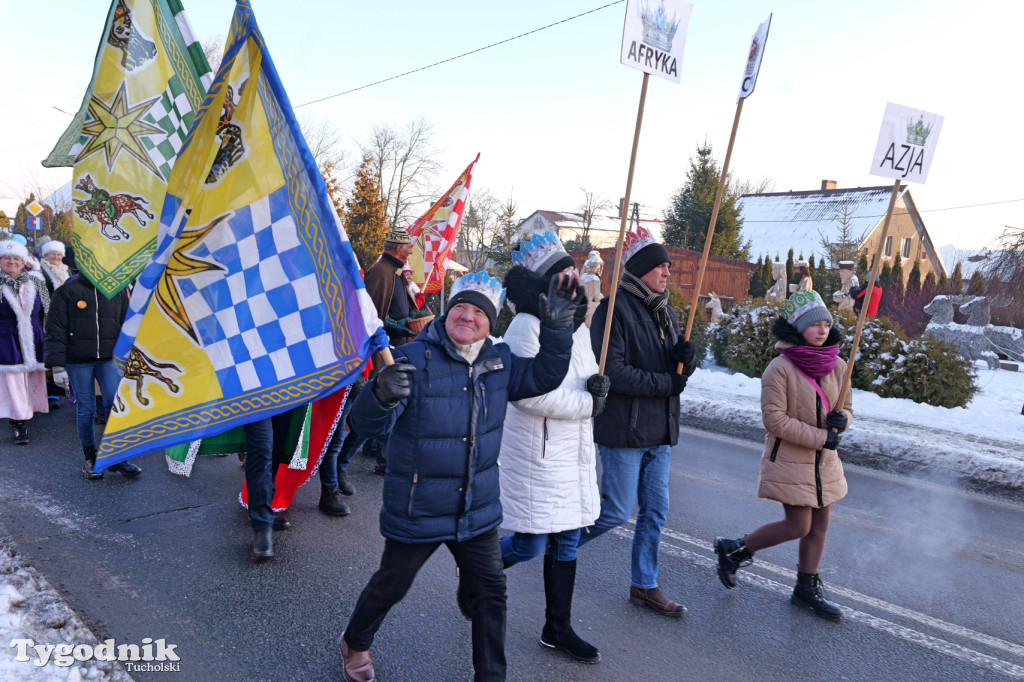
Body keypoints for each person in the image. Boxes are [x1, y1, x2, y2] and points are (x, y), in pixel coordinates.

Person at [338, 270, 581, 682]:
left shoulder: (500, 362)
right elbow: (363, 427)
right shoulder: (412, 359)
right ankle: (355, 641)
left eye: (478, 312)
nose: (467, 316)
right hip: (420, 506)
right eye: (460, 307)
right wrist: (379, 394)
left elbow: (545, 375)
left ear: (491, 323)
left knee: (490, 596)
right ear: (448, 312)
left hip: (477, 509)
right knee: (392, 585)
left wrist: (558, 330)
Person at [495, 232, 608, 663]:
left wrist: (597, 385)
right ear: (545, 281)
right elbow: (527, 394)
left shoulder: (576, 324)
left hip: (572, 450)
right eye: (562, 272)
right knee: (528, 545)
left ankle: (556, 626)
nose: (572, 276)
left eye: (572, 268)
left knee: (567, 541)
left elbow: (584, 375)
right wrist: (588, 403)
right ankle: (478, 570)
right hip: (538, 453)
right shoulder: (526, 324)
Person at [577, 225, 694, 618]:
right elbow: (614, 373)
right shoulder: (612, 311)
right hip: (624, 430)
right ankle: (554, 544)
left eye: (668, 267)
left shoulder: (667, 310)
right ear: (640, 269)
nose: (667, 273)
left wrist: (685, 360)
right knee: (613, 512)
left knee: (655, 512)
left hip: (659, 431)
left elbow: (673, 372)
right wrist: (669, 382)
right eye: (660, 266)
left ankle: (644, 585)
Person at [713, 290, 852, 621]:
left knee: (820, 524)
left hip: (824, 462)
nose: (821, 330)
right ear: (797, 329)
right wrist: (822, 437)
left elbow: (846, 408)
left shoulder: (838, 365)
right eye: (813, 324)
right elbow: (774, 420)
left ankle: (806, 589)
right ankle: (735, 549)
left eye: (825, 324)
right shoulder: (780, 369)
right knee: (798, 524)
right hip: (791, 459)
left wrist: (842, 421)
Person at [44, 271, 141, 479]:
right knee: (86, 409)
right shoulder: (67, 291)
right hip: (77, 360)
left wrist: (131, 356)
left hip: (109, 358)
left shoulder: (117, 290)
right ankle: (91, 457)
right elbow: (55, 328)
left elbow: (127, 325)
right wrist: (58, 366)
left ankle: (116, 457)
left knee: (114, 407)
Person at [344, 229, 415, 483]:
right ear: (398, 249)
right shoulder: (380, 272)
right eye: (408, 247)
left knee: (382, 403)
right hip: (379, 352)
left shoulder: (394, 271)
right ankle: (353, 461)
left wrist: (409, 319)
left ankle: (369, 452)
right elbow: (369, 315)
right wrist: (395, 325)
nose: (411, 251)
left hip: (392, 350)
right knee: (381, 403)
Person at [0, 240, 50, 445]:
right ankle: (18, 423)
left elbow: (48, 309)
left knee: (31, 378)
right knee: (13, 379)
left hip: (34, 335)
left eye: (16, 258)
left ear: (23, 262)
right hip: (5, 337)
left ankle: (28, 410)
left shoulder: (36, 281)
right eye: (6, 258)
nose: (11, 261)